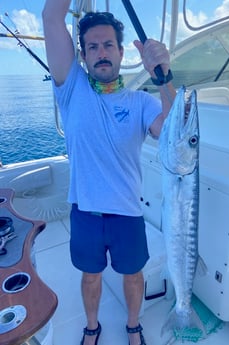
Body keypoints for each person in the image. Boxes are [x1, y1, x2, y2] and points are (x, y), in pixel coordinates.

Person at [42, 1, 176, 345]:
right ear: (83, 56)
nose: (101, 53)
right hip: (85, 211)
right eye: (92, 47)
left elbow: (173, 132)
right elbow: (51, 16)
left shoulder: (141, 102)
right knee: (90, 277)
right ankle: (92, 326)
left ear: (120, 52)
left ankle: (133, 325)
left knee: (133, 276)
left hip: (128, 214)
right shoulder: (70, 88)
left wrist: (165, 77)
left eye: (108, 46)